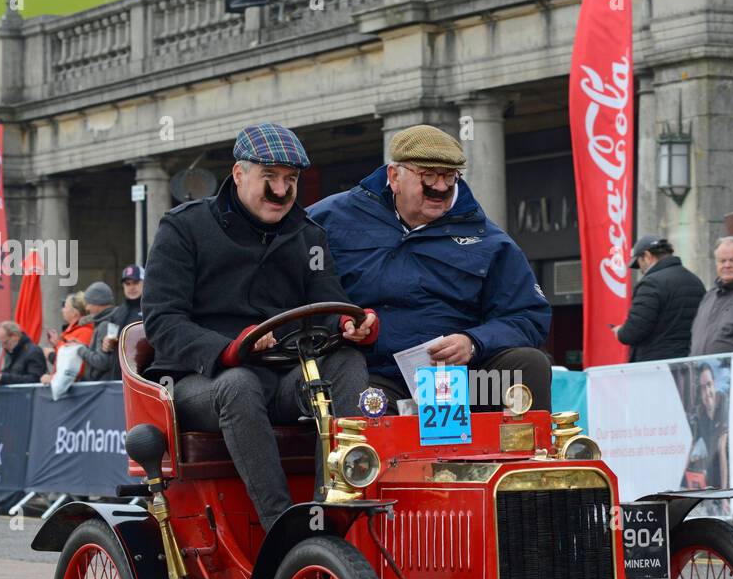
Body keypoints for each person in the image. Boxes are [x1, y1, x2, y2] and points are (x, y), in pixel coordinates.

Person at [144, 122, 375, 531]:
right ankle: (280, 527)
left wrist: (349, 324)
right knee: (239, 385)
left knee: (348, 364)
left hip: (285, 377)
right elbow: (163, 322)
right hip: (202, 380)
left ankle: (332, 510)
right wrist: (230, 349)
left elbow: (328, 303)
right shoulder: (183, 227)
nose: (281, 191)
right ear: (238, 175)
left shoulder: (309, 236)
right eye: (269, 177)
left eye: (290, 180)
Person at [308, 124, 552, 411]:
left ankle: (522, 455)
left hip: (462, 382)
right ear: (394, 176)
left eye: (449, 176)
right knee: (352, 392)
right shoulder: (328, 219)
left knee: (528, 366)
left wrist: (473, 342)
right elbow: (298, 290)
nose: (440, 187)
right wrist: (341, 323)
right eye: (428, 175)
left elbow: (528, 315)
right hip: (375, 376)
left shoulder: (488, 239)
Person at [614, 236, 705, 361]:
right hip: (688, 361)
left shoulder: (650, 283)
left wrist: (619, 332)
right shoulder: (695, 281)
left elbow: (632, 333)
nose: (640, 269)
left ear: (647, 256)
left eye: (638, 262)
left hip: (655, 364)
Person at [41, 292, 96, 385]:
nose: (62, 310)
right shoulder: (74, 331)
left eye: (65, 306)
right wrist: (56, 343)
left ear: (75, 313)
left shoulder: (85, 332)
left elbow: (75, 367)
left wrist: (53, 378)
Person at [77, 281, 121, 382]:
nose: (87, 308)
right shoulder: (113, 320)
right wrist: (85, 347)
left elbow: (102, 362)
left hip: (102, 386)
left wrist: (80, 350)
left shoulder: (104, 325)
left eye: (88, 304)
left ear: (98, 303)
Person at [0, 321, 48, 385]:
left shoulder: (34, 352)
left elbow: (35, 379)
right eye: (1, 343)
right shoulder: (10, 352)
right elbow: (8, 373)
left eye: (5, 342)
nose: (3, 346)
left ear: (15, 336)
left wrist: (5, 378)